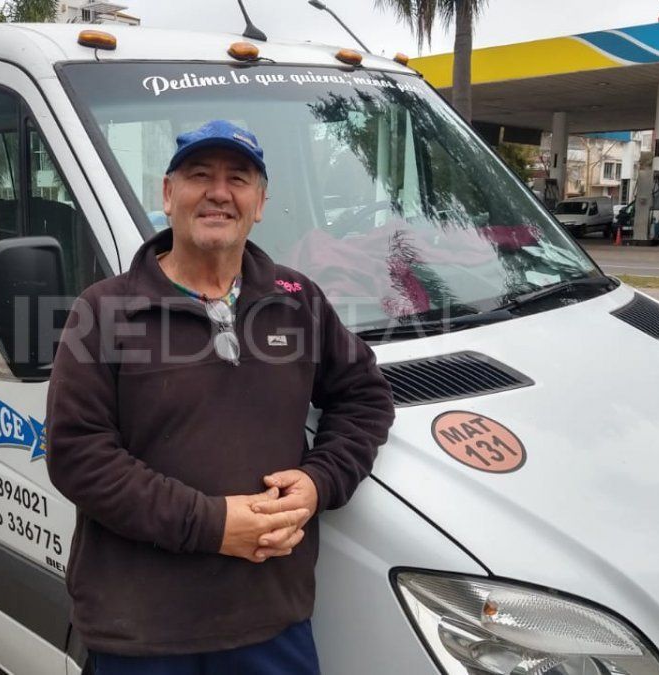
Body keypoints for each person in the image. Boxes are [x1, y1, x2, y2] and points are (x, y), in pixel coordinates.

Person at [46, 120, 396, 674]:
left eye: (238, 178)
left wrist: (319, 481)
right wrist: (211, 525)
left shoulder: (296, 300)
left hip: (270, 620)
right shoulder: (104, 310)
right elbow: (78, 456)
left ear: (260, 203)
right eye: (199, 176)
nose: (218, 192)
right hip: (141, 630)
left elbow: (364, 396)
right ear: (168, 195)